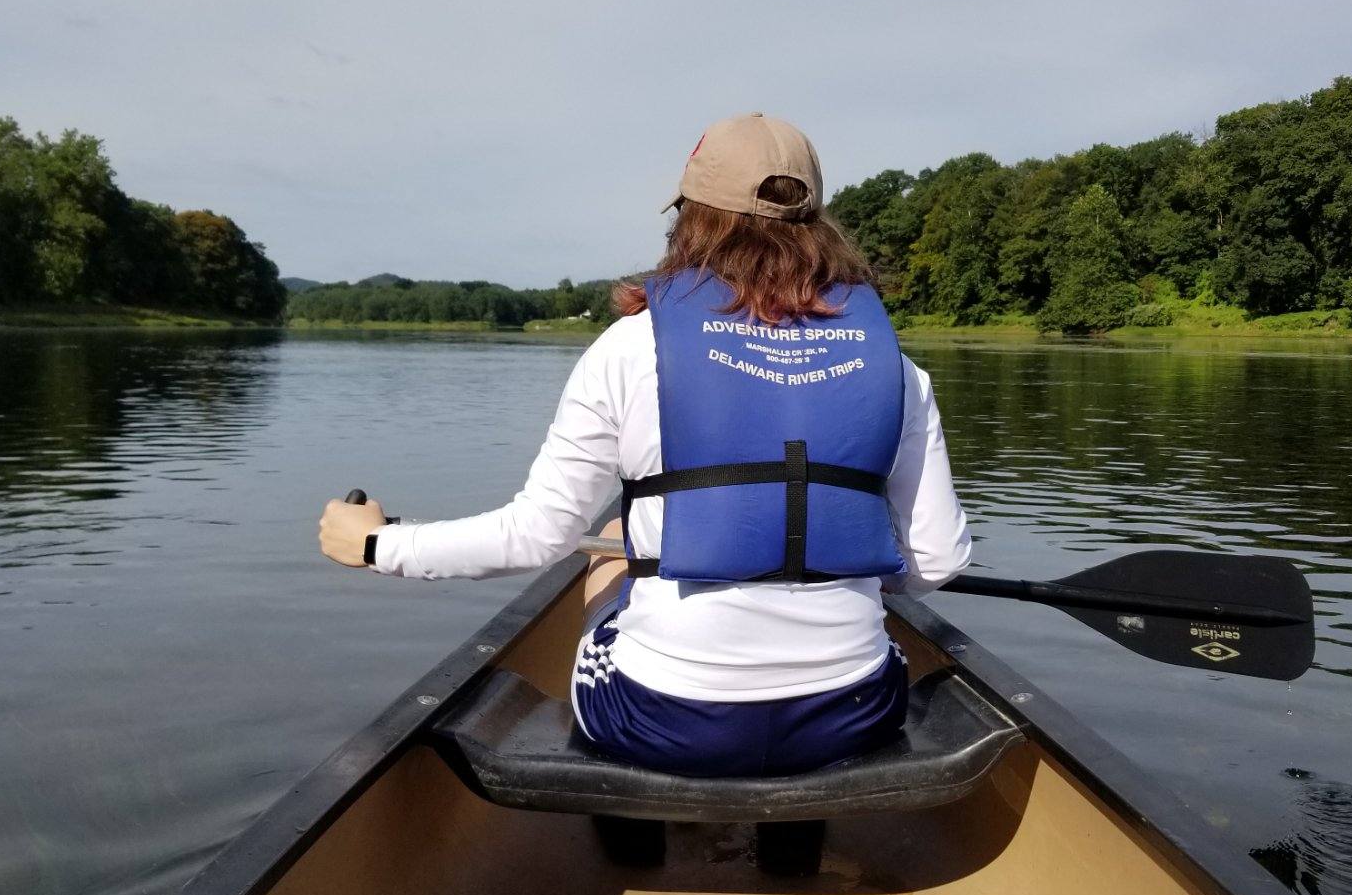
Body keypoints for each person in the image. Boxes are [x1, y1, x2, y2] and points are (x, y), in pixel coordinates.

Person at [318, 112, 971, 777]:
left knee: (606, 548)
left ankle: (626, 825)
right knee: (863, 629)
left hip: (668, 721)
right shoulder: (897, 368)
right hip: (851, 717)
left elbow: (536, 537)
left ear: (691, 218)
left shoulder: (631, 349)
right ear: (818, 223)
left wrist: (377, 544)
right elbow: (936, 563)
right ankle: (792, 846)